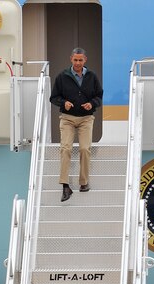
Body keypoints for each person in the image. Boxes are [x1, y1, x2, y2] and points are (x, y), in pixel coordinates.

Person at [50, 47, 103, 202]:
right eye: (75, 60)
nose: (78, 63)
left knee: (85, 149)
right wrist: (63, 102)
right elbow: (53, 97)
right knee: (65, 148)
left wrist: (91, 103)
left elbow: (99, 96)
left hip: (86, 118)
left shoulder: (92, 76)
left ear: (85, 60)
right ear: (71, 59)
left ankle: (84, 182)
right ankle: (65, 185)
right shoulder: (62, 76)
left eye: (81, 60)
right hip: (67, 118)